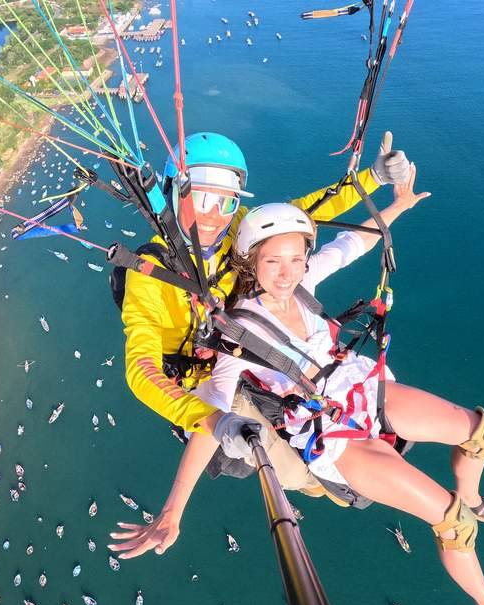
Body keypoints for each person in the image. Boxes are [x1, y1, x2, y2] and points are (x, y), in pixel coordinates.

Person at [110, 167, 484, 605]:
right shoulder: (239, 332)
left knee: (482, 431)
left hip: (359, 388)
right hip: (330, 434)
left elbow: (351, 244)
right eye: (273, 263)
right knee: (454, 524)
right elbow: (215, 412)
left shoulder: (304, 284)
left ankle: (469, 493)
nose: (288, 273)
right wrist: (174, 510)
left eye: (296, 259)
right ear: (251, 263)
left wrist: (396, 205)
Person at [120, 131, 410, 435]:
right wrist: (207, 419)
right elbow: (142, 365)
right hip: (205, 382)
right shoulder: (149, 272)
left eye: (226, 202)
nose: (213, 215)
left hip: (252, 351)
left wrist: (373, 177)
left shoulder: (239, 229)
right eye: (201, 198)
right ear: (172, 193)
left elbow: (306, 212)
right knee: (248, 452)